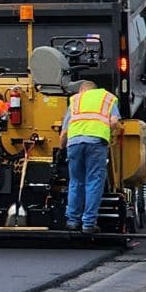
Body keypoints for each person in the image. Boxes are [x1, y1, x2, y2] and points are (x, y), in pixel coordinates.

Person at [59, 80, 119, 233]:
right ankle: (88, 224)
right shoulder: (107, 98)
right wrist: (106, 133)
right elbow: (114, 121)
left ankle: (72, 220)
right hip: (96, 143)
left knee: (76, 182)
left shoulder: (75, 100)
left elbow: (65, 131)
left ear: (82, 90)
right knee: (93, 182)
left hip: (74, 143)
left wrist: (61, 147)